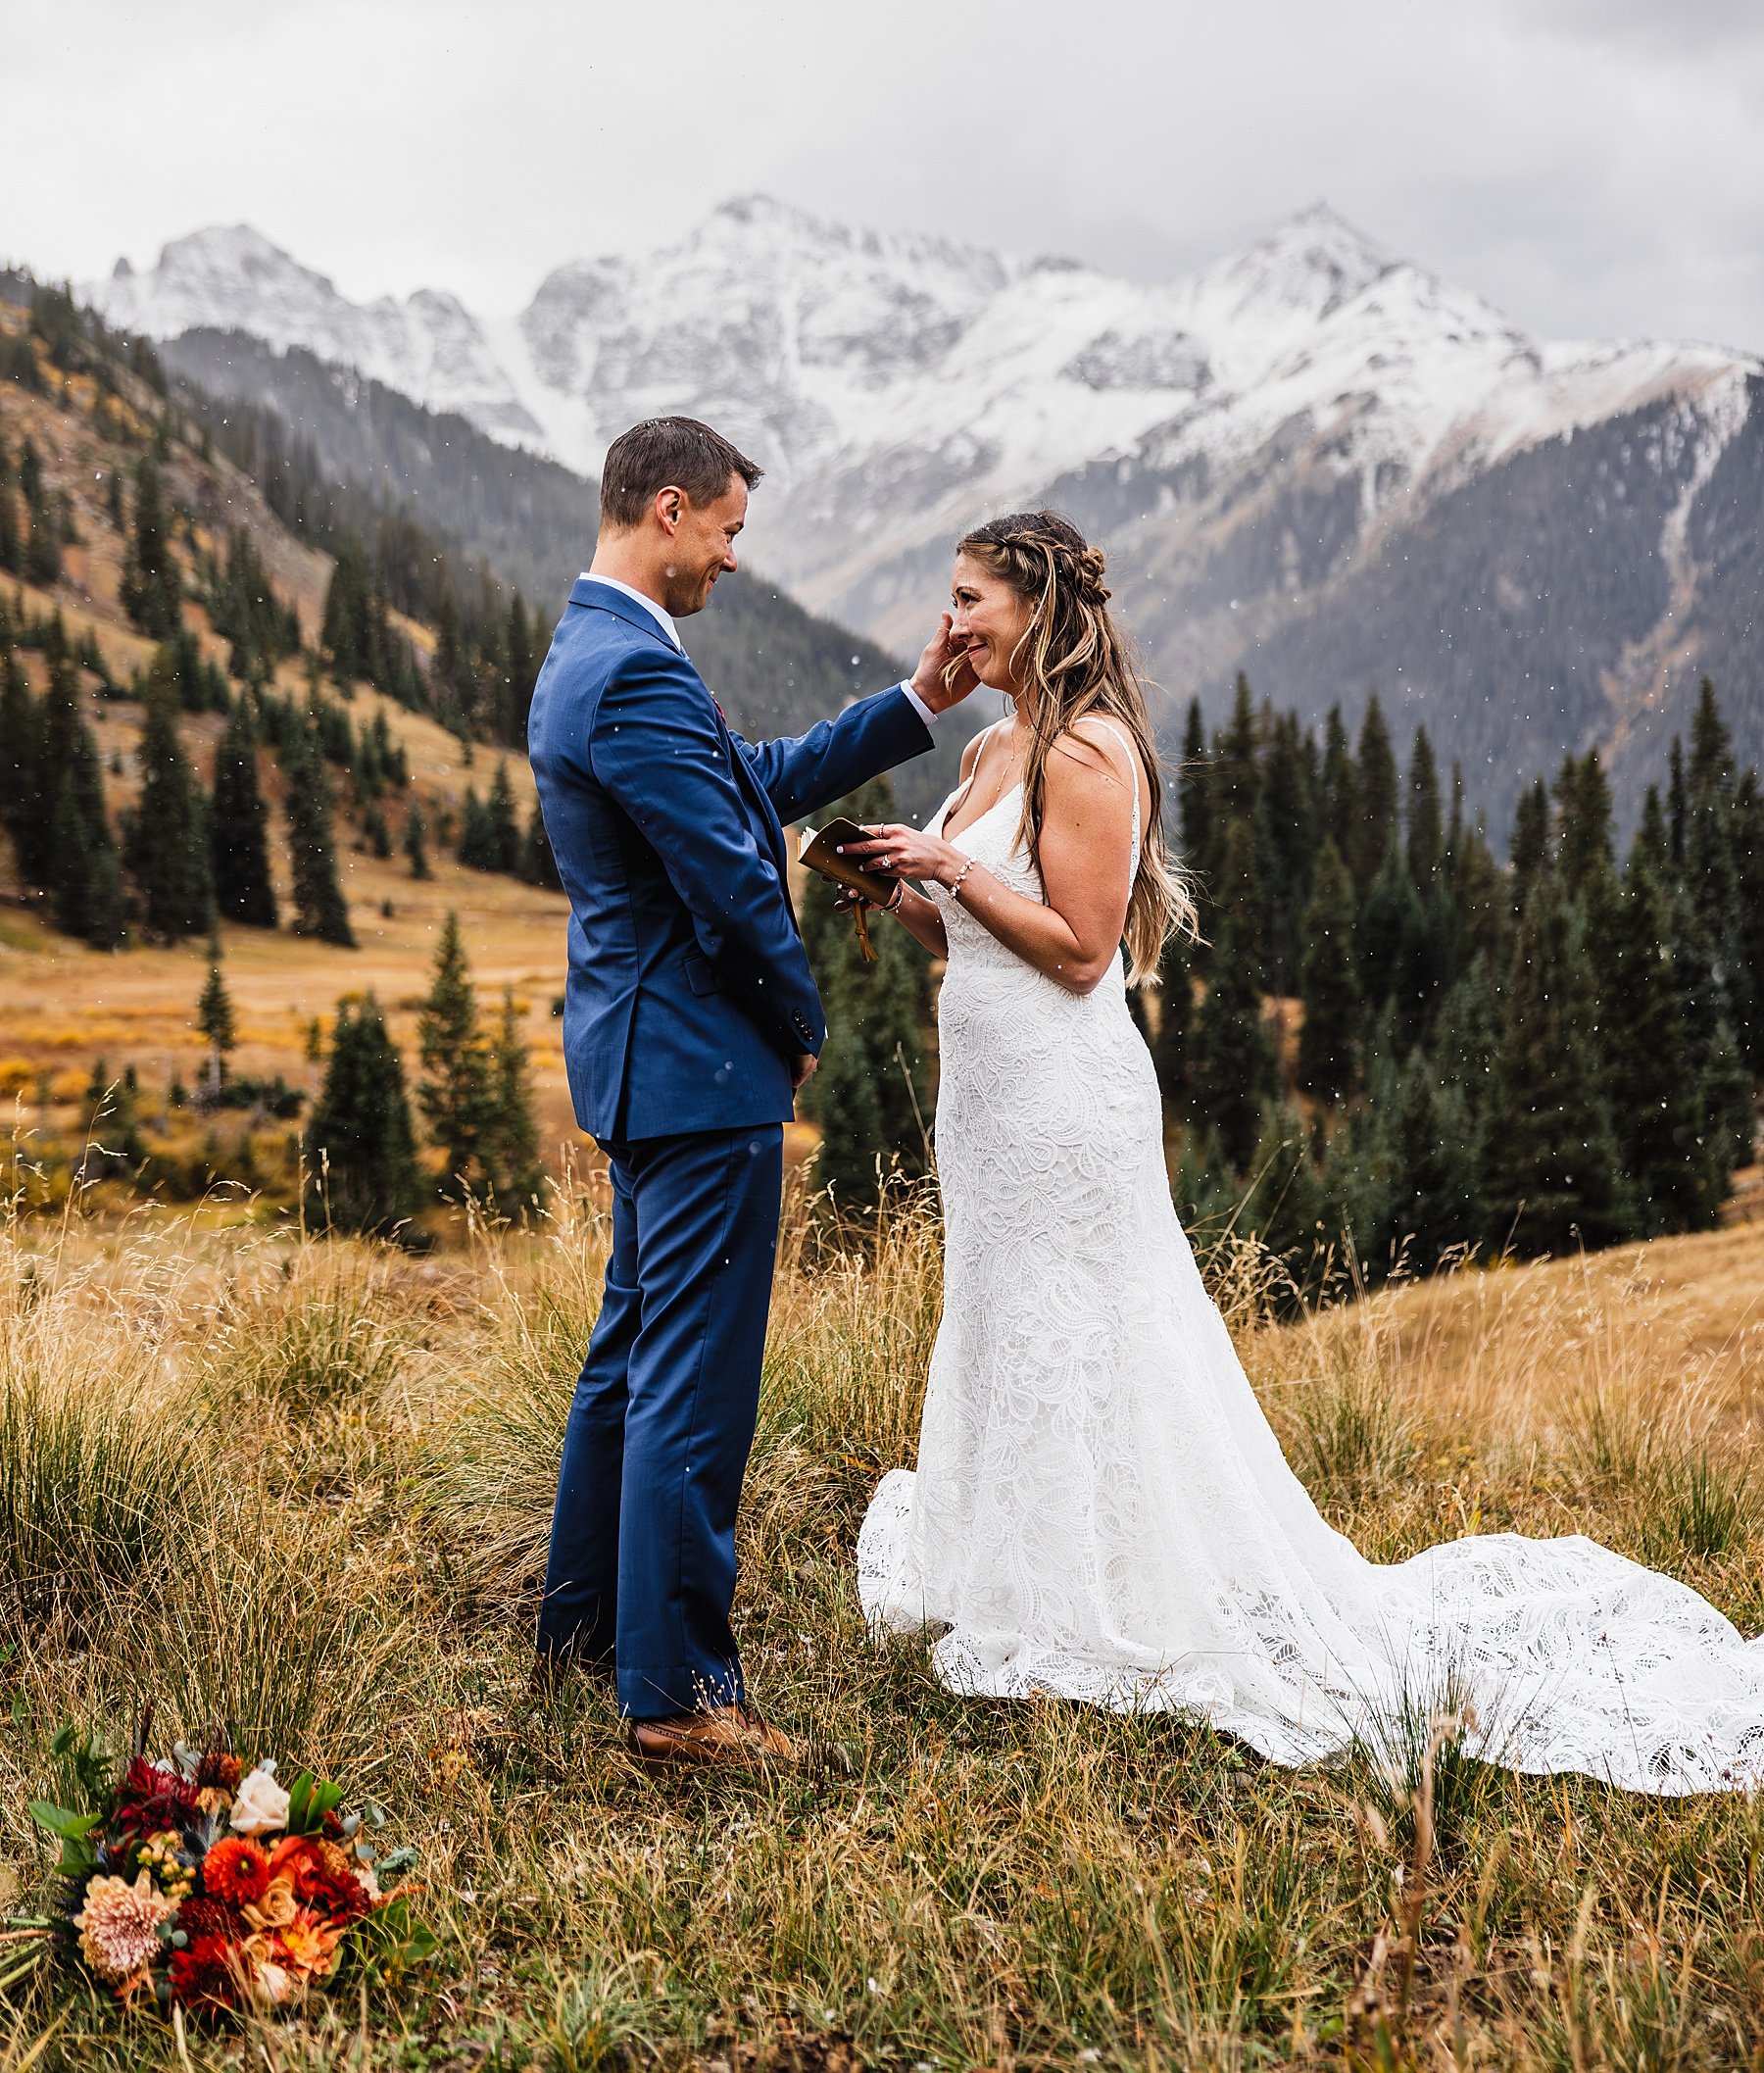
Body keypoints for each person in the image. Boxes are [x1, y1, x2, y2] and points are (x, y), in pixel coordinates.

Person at [850, 510, 1764, 1794]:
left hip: (1064, 1103)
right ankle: (1034, 1570)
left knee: (1086, 1325)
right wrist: (901, 891)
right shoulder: (995, 742)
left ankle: (1113, 1599)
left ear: (1039, 610)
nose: (950, 622)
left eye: (971, 600)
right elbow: (974, 937)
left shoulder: (1092, 747)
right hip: (987, 1106)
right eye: (947, 598)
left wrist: (947, 857)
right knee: (1007, 1316)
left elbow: (1076, 949)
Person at [527, 413, 975, 1767]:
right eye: (724, 531)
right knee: (691, 1383)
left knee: (628, 1363)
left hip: (642, 1058)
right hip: (694, 1067)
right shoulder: (631, 676)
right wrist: (798, 1028)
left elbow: (753, 791)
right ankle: (678, 1698)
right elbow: (731, 883)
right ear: (668, 510)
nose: (731, 558)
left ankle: (588, 1637)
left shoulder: (601, 653)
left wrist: (913, 709)